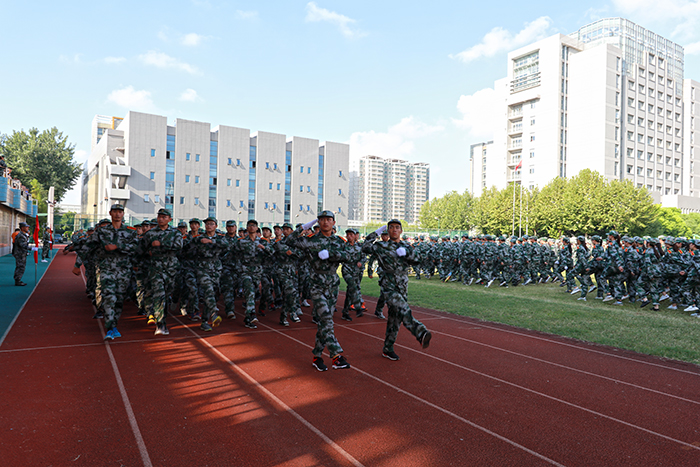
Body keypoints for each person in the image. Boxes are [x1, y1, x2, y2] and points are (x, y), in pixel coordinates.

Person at [287, 211, 351, 371]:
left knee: (324, 323)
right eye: (322, 220)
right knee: (327, 319)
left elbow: (349, 256)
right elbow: (289, 240)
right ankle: (336, 356)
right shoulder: (310, 240)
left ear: (334, 223)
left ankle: (317, 356)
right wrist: (303, 227)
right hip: (316, 284)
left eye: (328, 219)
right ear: (318, 222)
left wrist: (331, 254)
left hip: (332, 284)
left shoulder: (339, 241)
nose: (325, 222)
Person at [362, 220, 432, 361]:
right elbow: (365, 247)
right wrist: (376, 233)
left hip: (402, 286)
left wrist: (407, 254)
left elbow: (418, 259)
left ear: (401, 231)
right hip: (388, 285)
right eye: (391, 227)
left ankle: (388, 348)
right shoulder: (381, 246)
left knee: (395, 318)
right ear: (388, 231)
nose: (394, 229)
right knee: (403, 309)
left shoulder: (406, 246)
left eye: (397, 227)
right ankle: (420, 332)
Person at [85, 204, 138, 340]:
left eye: (120, 212)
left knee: (119, 299)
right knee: (109, 297)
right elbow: (89, 245)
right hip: (107, 268)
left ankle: (114, 325)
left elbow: (136, 247)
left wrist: (117, 246)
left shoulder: (130, 232)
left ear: (123, 214)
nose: (117, 214)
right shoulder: (102, 231)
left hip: (123, 270)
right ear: (110, 213)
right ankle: (110, 327)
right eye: (115, 211)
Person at [139, 208, 183, 335]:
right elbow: (141, 249)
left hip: (171, 268)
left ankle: (162, 316)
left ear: (170, 219)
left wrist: (161, 244)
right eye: (159, 217)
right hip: (156, 267)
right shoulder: (150, 233)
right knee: (159, 294)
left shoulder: (175, 233)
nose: (161, 219)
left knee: (167, 294)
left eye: (164, 217)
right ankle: (161, 324)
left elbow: (179, 246)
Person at [13, 222, 31, 286]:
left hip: (22, 253)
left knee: (21, 267)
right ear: (22, 228)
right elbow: (22, 245)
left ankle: (18, 279)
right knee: (20, 267)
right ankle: (17, 280)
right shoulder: (20, 235)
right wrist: (31, 248)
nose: (27, 228)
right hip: (19, 253)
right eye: (26, 227)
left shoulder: (23, 235)